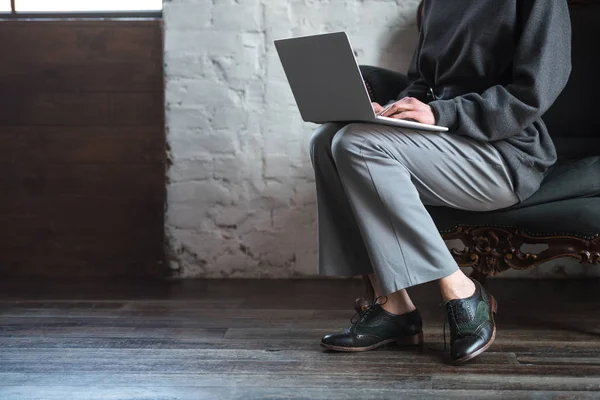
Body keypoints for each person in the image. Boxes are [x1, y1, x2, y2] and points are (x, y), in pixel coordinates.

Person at [309, 0, 571, 364]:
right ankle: (394, 306)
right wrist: (392, 111)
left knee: (355, 144)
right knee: (326, 139)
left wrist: (440, 112)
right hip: (443, 143)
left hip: (505, 155)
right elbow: (422, 81)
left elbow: (534, 92)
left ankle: (460, 289)